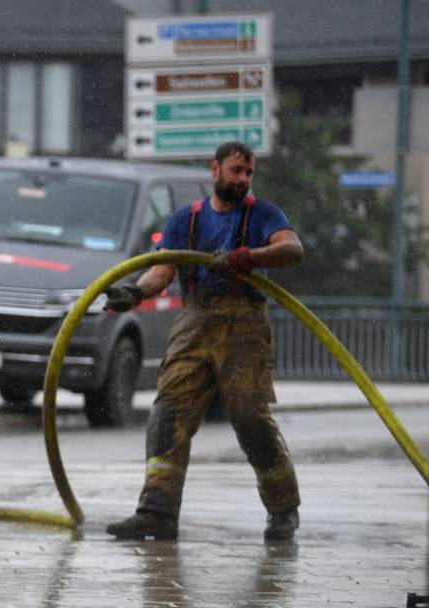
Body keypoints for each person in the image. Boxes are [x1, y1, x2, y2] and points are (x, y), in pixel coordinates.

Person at [104, 140, 303, 542]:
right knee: (168, 413)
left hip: (244, 323)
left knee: (250, 418)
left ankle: (283, 508)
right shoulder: (185, 221)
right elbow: (160, 272)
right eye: (236, 171)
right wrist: (135, 293)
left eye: (248, 173)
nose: (243, 179)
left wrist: (249, 257)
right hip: (195, 319)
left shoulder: (262, 215)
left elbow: (291, 249)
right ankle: (157, 511)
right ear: (215, 170)